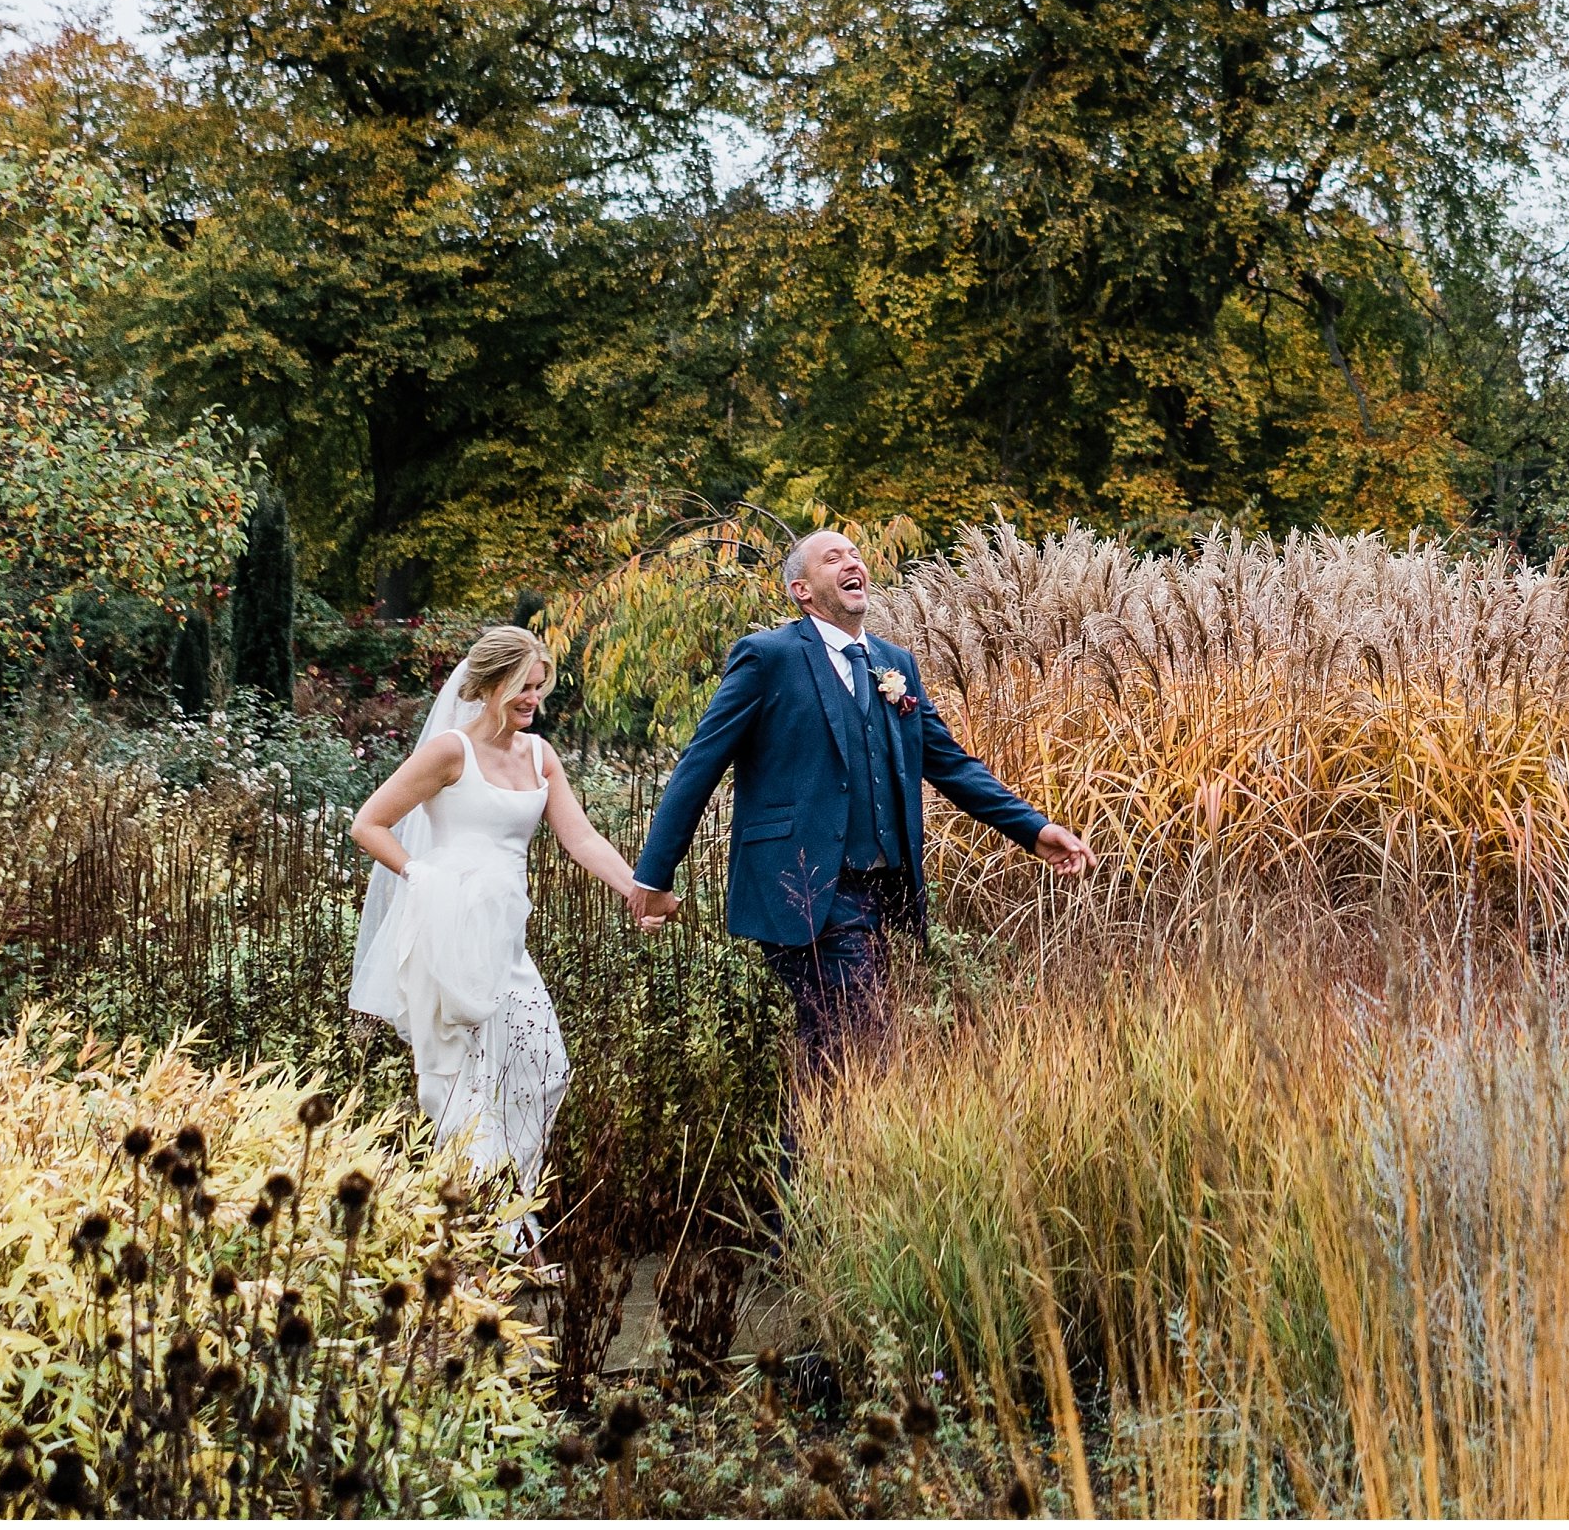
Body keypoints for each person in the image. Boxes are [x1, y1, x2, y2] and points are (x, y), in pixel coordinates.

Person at [629, 529, 1094, 1054]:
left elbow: (949, 763)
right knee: (859, 1037)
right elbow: (700, 763)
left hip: (879, 889)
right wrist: (653, 875)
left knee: (837, 1045)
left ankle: (820, 1137)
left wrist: (1033, 829)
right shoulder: (767, 657)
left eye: (855, 555)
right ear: (802, 590)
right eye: (833, 558)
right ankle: (828, 1136)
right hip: (799, 883)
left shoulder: (894, 664)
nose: (853, 563)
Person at [347, 625, 642, 1253]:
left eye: (539, 687)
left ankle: (505, 1225)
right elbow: (368, 823)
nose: (533, 699)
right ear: (486, 685)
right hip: (446, 935)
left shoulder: (540, 757)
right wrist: (421, 876)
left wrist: (635, 890)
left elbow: (581, 838)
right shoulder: (449, 752)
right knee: (457, 1084)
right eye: (521, 687)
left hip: (507, 944)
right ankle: (480, 1242)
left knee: (542, 1068)